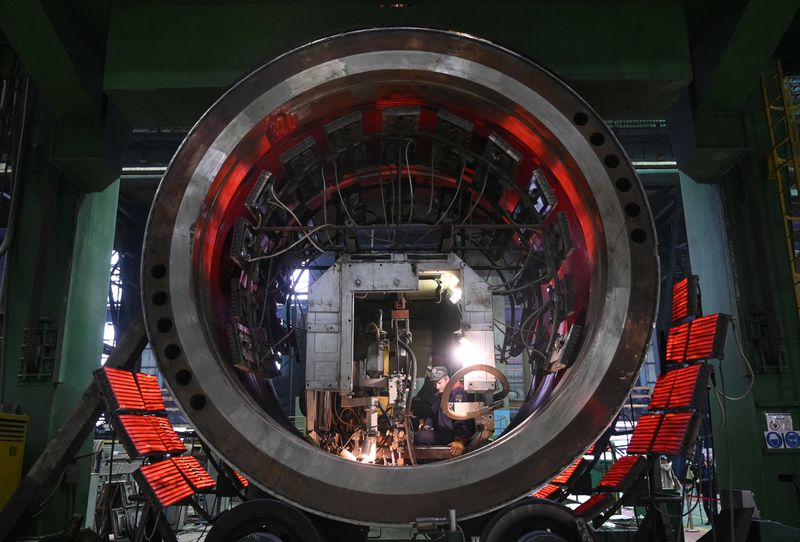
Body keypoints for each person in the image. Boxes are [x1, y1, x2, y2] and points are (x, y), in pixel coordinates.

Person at [415, 366, 475, 457]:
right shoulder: (439, 396)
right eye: (435, 384)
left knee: (420, 437)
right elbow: (432, 412)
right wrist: (428, 425)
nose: (437, 387)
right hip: (443, 432)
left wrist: (459, 440)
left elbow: (460, 419)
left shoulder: (458, 393)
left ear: (447, 379)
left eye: (439, 383)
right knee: (420, 435)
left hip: (452, 435)